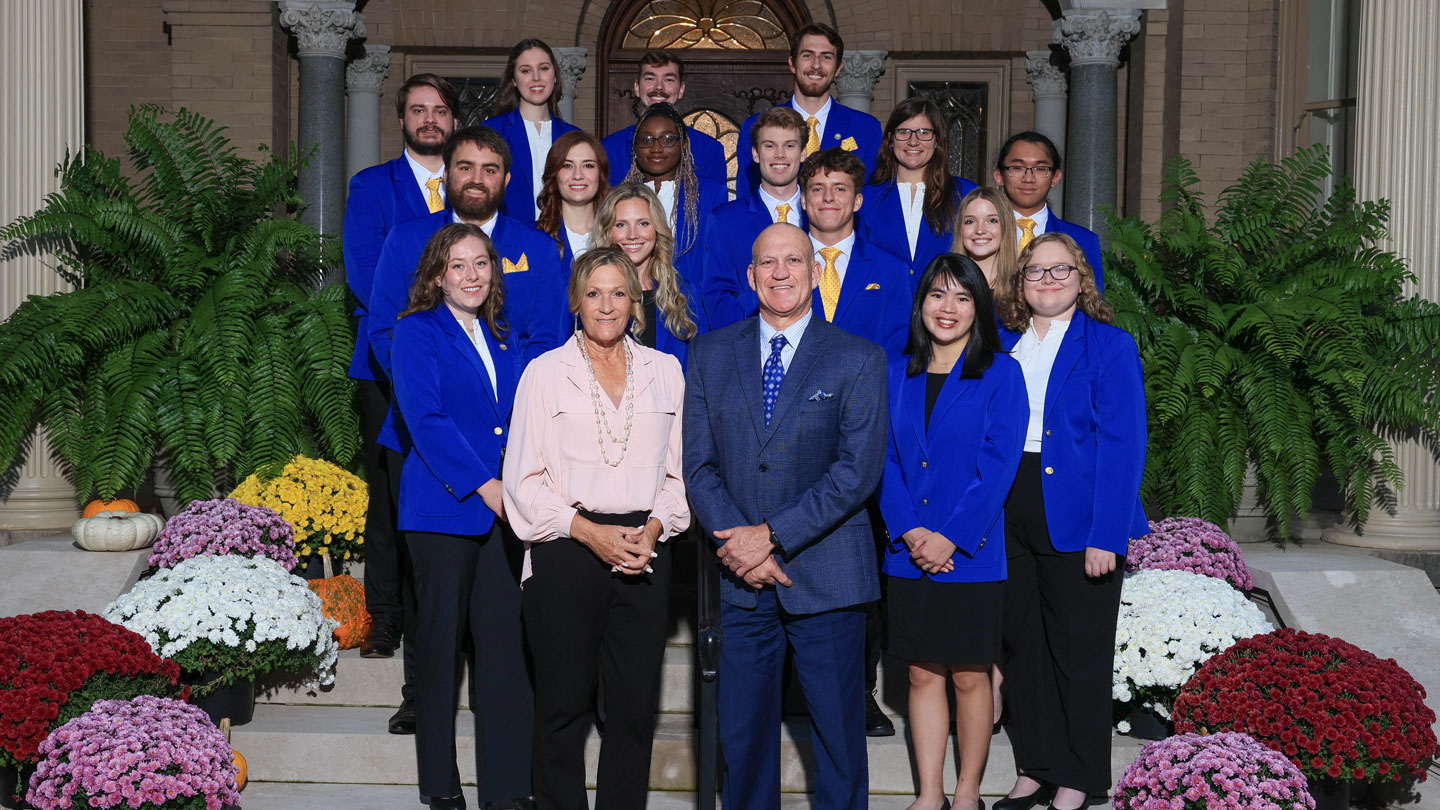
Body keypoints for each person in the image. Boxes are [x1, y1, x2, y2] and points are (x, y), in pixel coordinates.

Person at [684, 223, 888, 810]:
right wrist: (740, 549)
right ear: (749, 276)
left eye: (793, 260)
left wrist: (770, 538)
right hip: (739, 582)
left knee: (838, 739)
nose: (780, 273)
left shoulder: (857, 358)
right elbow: (697, 467)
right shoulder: (710, 354)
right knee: (743, 738)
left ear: (813, 270)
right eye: (767, 262)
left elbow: (857, 472)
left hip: (827, 577)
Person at [503, 247, 689, 810]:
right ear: (574, 302)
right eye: (593, 293)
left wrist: (654, 528)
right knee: (562, 710)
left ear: (636, 301)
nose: (606, 305)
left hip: (644, 553)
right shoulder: (544, 374)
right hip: (565, 549)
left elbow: (680, 476)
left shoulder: (667, 371)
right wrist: (589, 532)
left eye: (618, 293)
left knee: (633, 713)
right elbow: (522, 483)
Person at [993, 233, 1147, 810]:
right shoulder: (1004, 343)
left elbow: (1123, 445)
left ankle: (1080, 778)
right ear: (1020, 282)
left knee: (1078, 651)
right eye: (1035, 272)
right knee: (1023, 648)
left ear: (1082, 279)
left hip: (1078, 512)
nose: (1048, 281)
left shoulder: (1108, 346)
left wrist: (1106, 534)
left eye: (1060, 271)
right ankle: (1035, 767)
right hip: (1010, 506)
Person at [389, 224, 532, 810]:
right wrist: (488, 486)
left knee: (504, 652)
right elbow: (426, 422)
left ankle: (507, 791)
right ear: (437, 274)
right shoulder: (415, 332)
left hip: (503, 516)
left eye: (481, 264)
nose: (472, 275)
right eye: (459, 265)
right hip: (443, 511)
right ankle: (442, 790)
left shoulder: (503, 337)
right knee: (441, 651)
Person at [877, 254, 1026, 810]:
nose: (949, 308)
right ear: (922, 304)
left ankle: (966, 793)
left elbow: (999, 465)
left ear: (978, 308)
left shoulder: (1001, 374)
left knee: (968, 676)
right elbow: (885, 461)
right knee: (920, 674)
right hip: (908, 553)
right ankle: (928, 794)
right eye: (938, 295)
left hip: (972, 553)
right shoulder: (896, 373)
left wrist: (950, 538)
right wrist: (912, 531)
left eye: (962, 298)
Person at [341, 72, 459, 735]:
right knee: (391, 494)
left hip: (464, 365)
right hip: (387, 364)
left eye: (439, 110)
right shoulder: (372, 187)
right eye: (418, 110)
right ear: (402, 118)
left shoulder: (475, 188)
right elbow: (364, 275)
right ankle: (384, 618)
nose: (430, 119)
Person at [734, 23, 882, 200]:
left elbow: (871, 200)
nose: (816, 65)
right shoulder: (755, 126)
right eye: (807, 55)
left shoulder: (866, 129)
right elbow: (747, 198)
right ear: (792, 64)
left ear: (838, 68)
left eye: (826, 57)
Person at [701, 105, 807, 329]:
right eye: (770, 146)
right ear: (756, 154)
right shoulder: (725, 221)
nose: (780, 155)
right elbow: (717, 299)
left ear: (803, 152)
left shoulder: (821, 214)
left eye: (790, 145)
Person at [801, 147, 909, 360]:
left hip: (867, 390)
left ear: (857, 201)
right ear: (803, 200)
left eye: (840, 189)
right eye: (818, 189)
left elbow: (897, 351)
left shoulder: (892, 270)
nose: (828, 197)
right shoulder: (781, 266)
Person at [859, 97, 977, 287]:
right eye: (904, 132)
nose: (913, 141)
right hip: (884, 308)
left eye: (924, 132)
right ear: (890, 139)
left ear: (937, 140)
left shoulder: (965, 194)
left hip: (946, 306)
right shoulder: (865, 198)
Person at [590, 183, 708, 366]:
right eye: (621, 225)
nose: (632, 235)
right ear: (607, 231)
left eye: (643, 223)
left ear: (657, 229)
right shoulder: (588, 293)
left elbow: (702, 368)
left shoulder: (683, 293)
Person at [620, 102, 728, 290]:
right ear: (635, 148)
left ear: (684, 145)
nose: (656, 148)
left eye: (668, 139)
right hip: (633, 301)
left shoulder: (709, 194)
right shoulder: (621, 198)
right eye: (646, 140)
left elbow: (719, 262)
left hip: (691, 309)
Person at [483, 39, 580, 225]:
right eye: (526, 70)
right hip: (508, 243)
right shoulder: (492, 132)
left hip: (563, 241)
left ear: (555, 76)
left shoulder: (574, 137)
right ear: (513, 79)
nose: (536, 77)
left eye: (544, 68)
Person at [992, 131, 1104, 291]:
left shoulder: (1083, 240)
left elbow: (1094, 307)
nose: (1028, 178)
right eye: (1017, 168)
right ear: (999, 176)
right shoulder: (978, 235)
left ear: (1056, 177)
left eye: (1040, 169)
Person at [601, 51, 728, 185]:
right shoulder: (609, 148)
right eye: (650, 78)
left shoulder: (710, 149)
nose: (659, 87)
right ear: (637, 87)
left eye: (669, 79)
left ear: (681, 89)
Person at [535, 129, 610, 276]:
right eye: (567, 165)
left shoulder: (619, 235)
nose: (577, 175)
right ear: (554, 175)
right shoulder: (532, 237)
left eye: (588, 165)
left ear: (600, 174)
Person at [953, 186, 1020, 291]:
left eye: (992, 220)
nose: (980, 230)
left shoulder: (1022, 285)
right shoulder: (944, 282)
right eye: (970, 221)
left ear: (1006, 226)